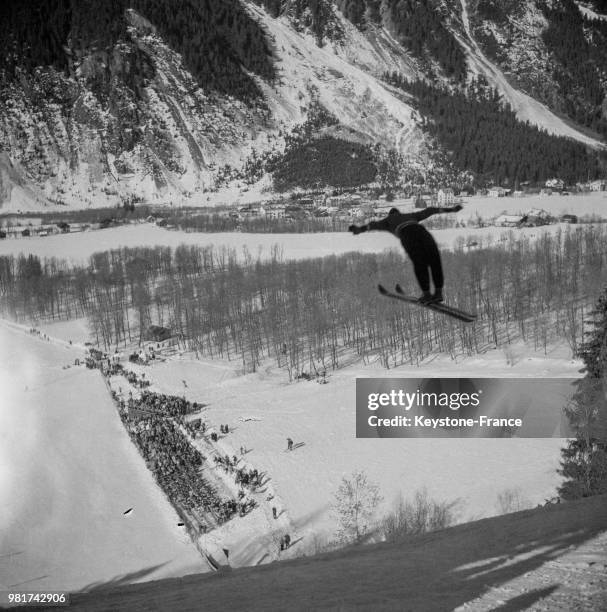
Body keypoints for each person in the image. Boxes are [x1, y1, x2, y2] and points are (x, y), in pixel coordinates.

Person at [348, 204, 463, 304]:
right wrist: (451, 209)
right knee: (434, 260)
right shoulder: (410, 216)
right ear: (399, 212)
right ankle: (438, 292)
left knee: (419, 263)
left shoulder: (387, 221)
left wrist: (358, 229)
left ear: (390, 214)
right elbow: (430, 210)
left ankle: (426, 294)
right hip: (423, 233)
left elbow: (371, 226)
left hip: (407, 235)